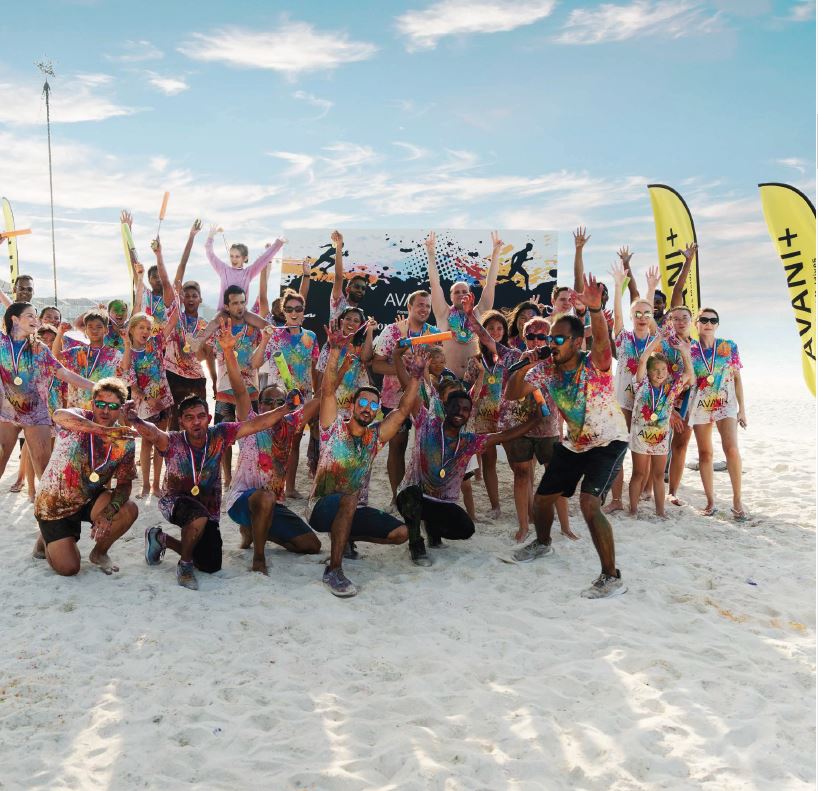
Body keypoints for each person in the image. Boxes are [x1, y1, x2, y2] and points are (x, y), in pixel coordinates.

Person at [505, 275, 630, 599]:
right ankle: (543, 542)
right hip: (575, 443)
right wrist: (525, 365)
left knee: (589, 503)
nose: (552, 343)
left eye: (559, 339)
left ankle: (611, 576)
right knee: (541, 500)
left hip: (609, 441)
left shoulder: (595, 364)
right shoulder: (546, 369)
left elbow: (602, 342)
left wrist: (596, 311)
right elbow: (512, 394)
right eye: (550, 338)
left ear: (576, 342)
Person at [134, 374, 296, 589]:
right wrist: (135, 420)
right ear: (181, 421)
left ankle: (161, 539)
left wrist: (285, 409)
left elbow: (257, 424)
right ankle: (184, 566)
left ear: (209, 418)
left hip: (207, 508)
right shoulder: (173, 440)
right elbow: (154, 433)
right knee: (196, 517)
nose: (196, 422)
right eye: (189, 417)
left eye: (201, 416)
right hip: (175, 502)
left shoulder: (220, 434)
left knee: (210, 564)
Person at [308, 326, 422, 598]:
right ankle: (334, 570)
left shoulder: (374, 437)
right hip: (321, 508)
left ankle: (345, 536)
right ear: (352, 405)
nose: (368, 409)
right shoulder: (333, 428)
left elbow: (403, 410)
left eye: (373, 406)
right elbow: (327, 393)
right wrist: (335, 350)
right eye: (363, 403)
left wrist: (416, 377)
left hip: (353, 509)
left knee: (401, 533)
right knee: (349, 496)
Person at [206, 320, 321, 573]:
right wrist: (228, 351)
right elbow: (239, 389)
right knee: (266, 497)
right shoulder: (249, 422)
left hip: (270, 504)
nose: (274, 406)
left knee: (311, 545)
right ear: (260, 406)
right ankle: (259, 558)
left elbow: (321, 398)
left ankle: (256, 529)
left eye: (279, 402)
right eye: (268, 402)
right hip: (241, 501)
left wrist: (336, 356)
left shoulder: (290, 423)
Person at [397, 365, 539, 566]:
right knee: (411, 498)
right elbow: (409, 393)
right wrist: (406, 366)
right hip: (412, 494)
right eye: (455, 407)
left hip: (440, 502)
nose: (460, 413)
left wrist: (535, 421)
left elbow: (503, 435)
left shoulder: (469, 441)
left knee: (466, 529)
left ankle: (433, 530)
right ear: (445, 407)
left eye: (465, 410)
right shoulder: (428, 423)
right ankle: (416, 545)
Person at [33, 378, 139, 576]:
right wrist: (103, 431)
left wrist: (108, 514)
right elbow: (58, 415)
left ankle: (99, 553)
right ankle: (46, 537)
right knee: (69, 568)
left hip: (87, 499)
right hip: (53, 504)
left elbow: (124, 485)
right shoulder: (78, 418)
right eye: (100, 404)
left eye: (112, 406)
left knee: (129, 509)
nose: (105, 411)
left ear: (121, 409)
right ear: (92, 404)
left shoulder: (125, 441)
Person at [498, 313, 575, 543]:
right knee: (522, 475)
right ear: (524, 338)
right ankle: (523, 526)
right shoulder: (517, 359)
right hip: (520, 425)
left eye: (542, 337)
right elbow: (509, 393)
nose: (536, 341)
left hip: (547, 427)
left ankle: (566, 527)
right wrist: (525, 366)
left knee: (555, 476)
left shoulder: (558, 360)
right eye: (531, 336)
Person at [0, 303, 96, 481]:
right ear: (15, 319)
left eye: (35, 316)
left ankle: (44, 499)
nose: (35, 320)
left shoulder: (39, 349)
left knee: (43, 468)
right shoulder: (1, 342)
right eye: (30, 315)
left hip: (35, 413)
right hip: (6, 412)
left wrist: (95, 386)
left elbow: (63, 373)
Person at [372, 289, 440, 506]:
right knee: (397, 446)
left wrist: (424, 371)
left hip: (425, 400)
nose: (424, 309)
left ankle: (426, 498)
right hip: (394, 399)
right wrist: (405, 368)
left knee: (426, 450)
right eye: (420, 305)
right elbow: (376, 365)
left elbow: (439, 367)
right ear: (409, 307)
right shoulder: (392, 332)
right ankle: (397, 498)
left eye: (427, 306)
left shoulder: (434, 334)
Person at [603, 260, 660, 513]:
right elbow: (617, 316)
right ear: (631, 316)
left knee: (642, 451)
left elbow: (647, 310)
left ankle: (641, 495)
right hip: (623, 402)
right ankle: (616, 499)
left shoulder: (656, 341)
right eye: (637, 314)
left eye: (647, 314)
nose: (642, 317)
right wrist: (618, 286)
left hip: (646, 404)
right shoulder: (624, 338)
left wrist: (651, 289)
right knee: (618, 451)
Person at [252, 289, 318, 497]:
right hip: (277, 401)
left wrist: (315, 397)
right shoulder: (275, 335)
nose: (294, 313)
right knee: (272, 443)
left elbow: (314, 368)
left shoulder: (311, 337)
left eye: (298, 309)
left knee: (294, 443)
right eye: (289, 309)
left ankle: (289, 488)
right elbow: (255, 363)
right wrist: (264, 340)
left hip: (301, 399)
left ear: (304, 311)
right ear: (284, 312)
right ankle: (269, 486)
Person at [688, 308, 747, 519]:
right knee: (705, 454)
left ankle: (737, 501)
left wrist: (742, 410)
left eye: (713, 320)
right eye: (704, 320)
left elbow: (737, 379)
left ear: (718, 324)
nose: (708, 324)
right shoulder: (690, 349)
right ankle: (710, 501)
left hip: (725, 403)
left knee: (731, 449)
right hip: (701, 405)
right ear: (696, 323)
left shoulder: (728, 346)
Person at [628, 334, 693, 517]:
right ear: (648, 372)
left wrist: (685, 353)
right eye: (655, 370)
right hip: (641, 436)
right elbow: (642, 360)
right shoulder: (641, 384)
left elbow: (688, 375)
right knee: (638, 474)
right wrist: (657, 340)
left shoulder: (670, 389)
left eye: (663, 369)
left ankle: (660, 511)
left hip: (660, 438)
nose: (660, 373)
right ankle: (633, 510)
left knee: (658, 475)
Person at [425, 230, 502, 377]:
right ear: (450, 297)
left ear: (470, 295)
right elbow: (435, 285)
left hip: (474, 380)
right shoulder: (443, 313)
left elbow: (490, 285)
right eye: (457, 292)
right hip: (446, 379)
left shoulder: (479, 313)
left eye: (464, 291)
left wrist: (496, 254)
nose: (461, 294)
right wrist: (431, 254)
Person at [463, 308, 517, 518]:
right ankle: (495, 506)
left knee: (517, 463)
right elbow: (468, 393)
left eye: (499, 328)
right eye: (490, 328)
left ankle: (523, 501)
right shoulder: (475, 360)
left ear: (505, 331)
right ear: (483, 332)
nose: (495, 332)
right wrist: (479, 376)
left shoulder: (511, 358)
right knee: (489, 462)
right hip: (483, 418)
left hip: (507, 417)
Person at [207, 285, 262, 488]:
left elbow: (261, 355)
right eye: (235, 303)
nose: (240, 307)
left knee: (251, 436)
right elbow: (210, 354)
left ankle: (247, 475)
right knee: (224, 436)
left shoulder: (254, 329)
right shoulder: (219, 329)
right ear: (227, 306)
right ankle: (228, 479)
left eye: (242, 302)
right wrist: (213, 380)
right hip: (225, 388)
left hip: (250, 390)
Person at [121, 307, 175, 499]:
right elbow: (132, 384)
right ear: (132, 329)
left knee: (161, 442)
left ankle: (156, 485)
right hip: (144, 405)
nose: (145, 331)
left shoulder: (155, 343)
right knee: (146, 444)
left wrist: (177, 297)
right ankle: (145, 485)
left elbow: (172, 322)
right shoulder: (128, 352)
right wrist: (148, 399)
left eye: (148, 328)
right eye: (141, 327)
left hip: (163, 400)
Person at [54, 311, 123, 410]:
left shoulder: (115, 355)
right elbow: (56, 355)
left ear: (106, 330)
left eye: (99, 327)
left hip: (102, 408)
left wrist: (127, 343)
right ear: (85, 330)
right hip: (76, 409)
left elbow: (125, 377)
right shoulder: (77, 351)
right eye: (90, 327)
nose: (94, 330)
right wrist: (60, 333)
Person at [316, 308, 376, 419]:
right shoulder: (330, 346)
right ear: (341, 321)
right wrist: (318, 403)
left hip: (354, 410)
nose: (351, 323)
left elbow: (366, 358)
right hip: (330, 405)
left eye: (356, 321)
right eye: (348, 319)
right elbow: (320, 375)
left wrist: (370, 330)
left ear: (361, 325)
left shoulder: (361, 347)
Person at [205, 223, 284, 300]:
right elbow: (210, 255)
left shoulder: (248, 272)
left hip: (242, 309)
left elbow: (263, 260)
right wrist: (210, 236)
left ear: (245, 258)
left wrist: (278, 243)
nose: (234, 259)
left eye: (237, 256)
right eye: (231, 256)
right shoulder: (223, 269)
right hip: (223, 309)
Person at [328, 230, 368, 319]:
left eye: (363, 288)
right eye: (357, 287)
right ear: (347, 289)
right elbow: (338, 277)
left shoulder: (361, 316)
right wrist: (339, 245)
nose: (360, 290)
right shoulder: (339, 302)